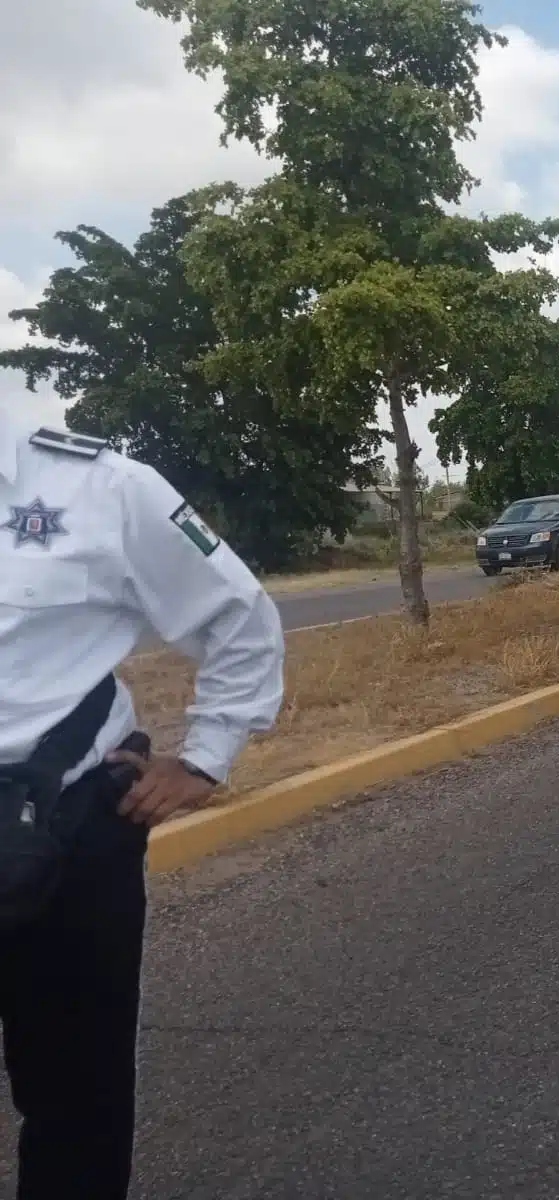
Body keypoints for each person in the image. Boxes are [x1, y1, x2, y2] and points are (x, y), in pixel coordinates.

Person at [0, 408, 286, 1200]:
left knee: (74, 1101)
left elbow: (241, 616)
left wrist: (204, 756)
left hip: (65, 838)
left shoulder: (105, 487)